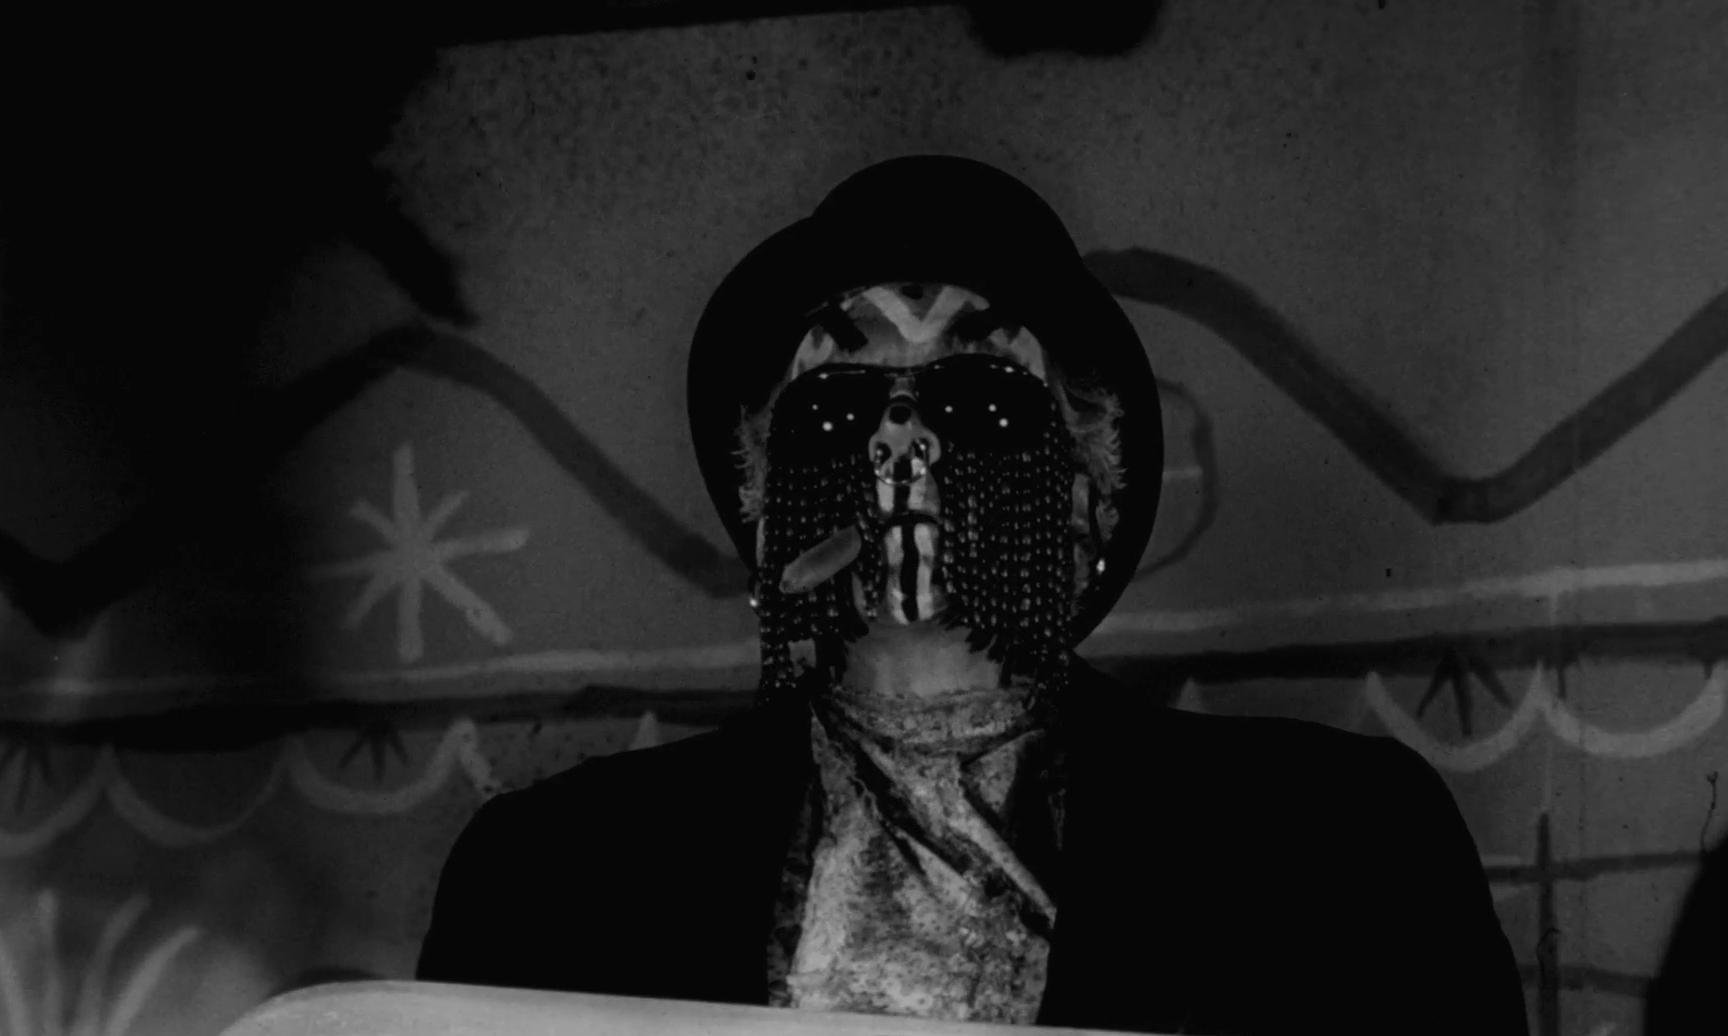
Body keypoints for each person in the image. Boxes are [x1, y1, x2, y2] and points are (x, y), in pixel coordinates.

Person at [417, 155, 1527, 1034]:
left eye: (983, 402)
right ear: (761, 498)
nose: (901, 442)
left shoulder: (1341, 848)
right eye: (836, 409)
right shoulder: (550, 876)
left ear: (1091, 485)